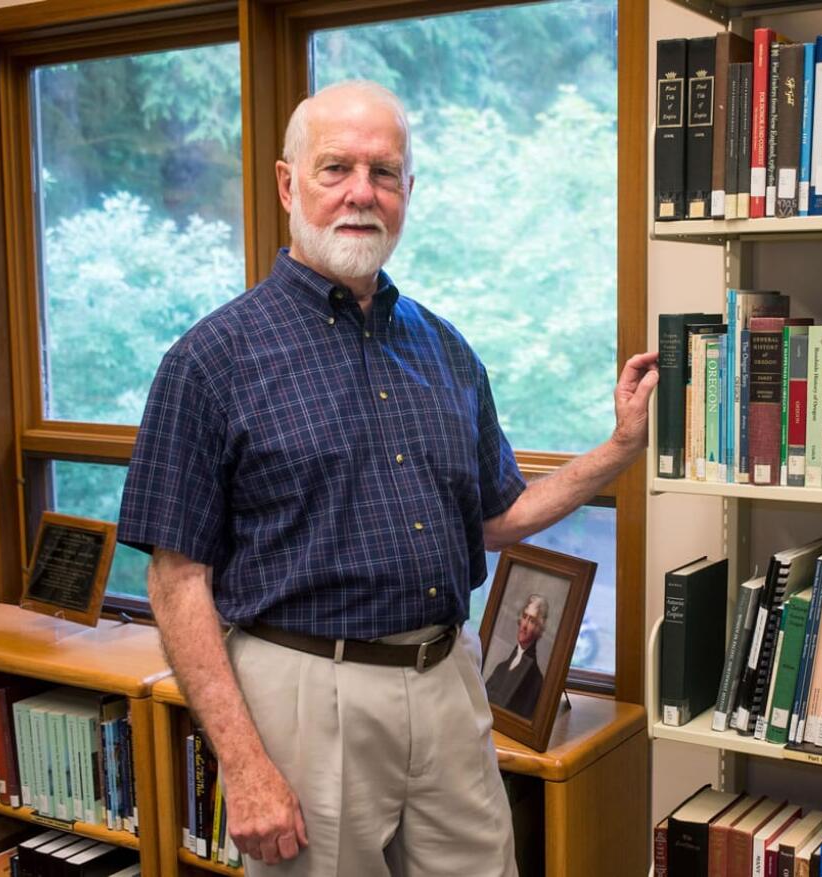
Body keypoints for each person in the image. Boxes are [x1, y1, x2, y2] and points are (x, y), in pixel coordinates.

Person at [118, 79, 657, 877]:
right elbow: (176, 579)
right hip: (305, 696)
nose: (360, 194)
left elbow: (497, 515)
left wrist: (618, 448)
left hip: (446, 680)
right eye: (336, 168)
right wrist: (244, 762)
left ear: (409, 191)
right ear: (287, 183)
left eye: (384, 172)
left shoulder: (444, 350)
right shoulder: (210, 362)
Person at [484, 593, 548, 718]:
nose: (524, 625)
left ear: (539, 629)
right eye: (525, 616)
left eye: (532, 621)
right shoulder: (501, 667)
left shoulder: (536, 680)